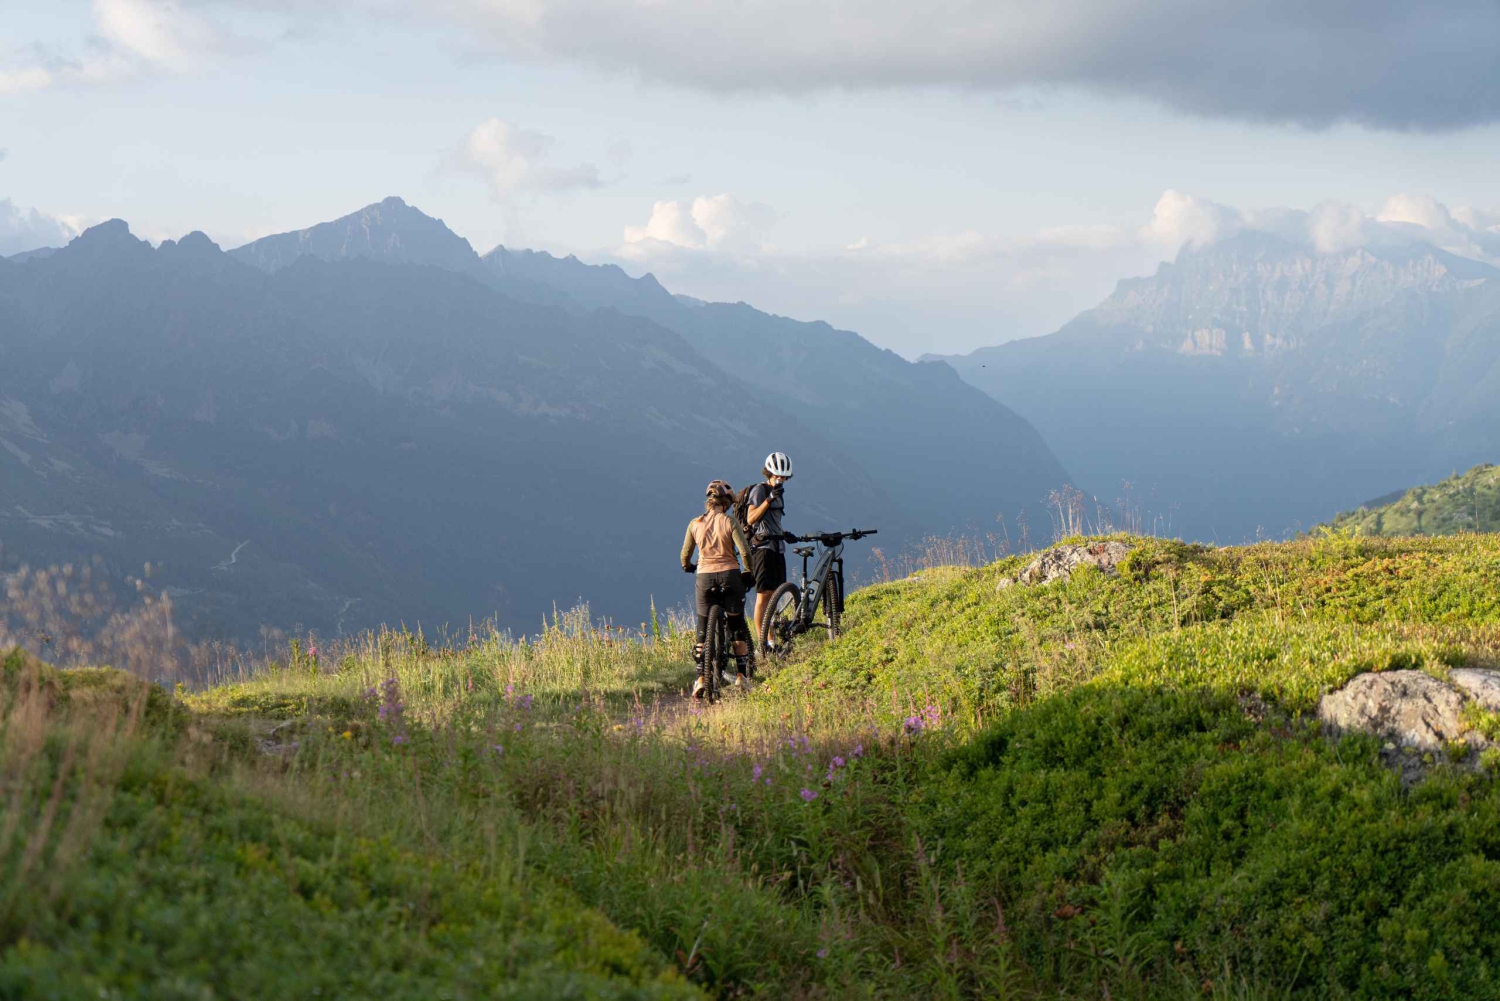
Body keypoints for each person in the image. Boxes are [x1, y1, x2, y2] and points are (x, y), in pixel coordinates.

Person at [680, 479, 757, 697]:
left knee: (702, 627)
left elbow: (685, 555)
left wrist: (688, 566)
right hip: (729, 575)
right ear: (726, 502)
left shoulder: (695, 523)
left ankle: (700, 678)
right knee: (736, 624)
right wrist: (748, 571)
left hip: (704, 577)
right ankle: (742, 676)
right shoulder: (729, 521)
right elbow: (745, 552)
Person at [746, 451, 797, 647]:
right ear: (769, 473)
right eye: (778, 476)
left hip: (778, 547)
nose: (781, 480)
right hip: (763, 549)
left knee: (775, 594)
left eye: (784, 477)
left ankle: (772, 640)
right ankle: (763, 644)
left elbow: (773, 521)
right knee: (763, 595)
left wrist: (785, 533)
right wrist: (768, 499)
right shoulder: (760, 490)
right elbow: (751, 519)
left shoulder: (780, 493)